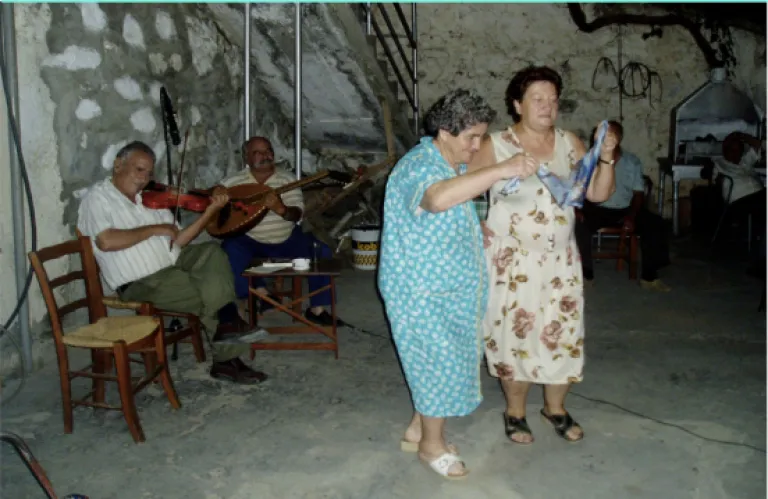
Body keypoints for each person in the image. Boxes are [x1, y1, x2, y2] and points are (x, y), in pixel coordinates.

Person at [378, 89, 533, 480]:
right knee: (437, 363)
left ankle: (418, 429)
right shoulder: (418, 166)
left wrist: (472, 225)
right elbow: (435, 200)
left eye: (481, 137)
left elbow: (443, 210)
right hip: (420, 291)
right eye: (471, 138)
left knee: (441, 360)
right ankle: (431, 446)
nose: (477, 147)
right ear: (444, 132)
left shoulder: (450, 163)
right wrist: (501, 169)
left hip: (449, 288)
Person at [471, 66, 617, 445]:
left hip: (561, 261)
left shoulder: (569, 142)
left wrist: (606, 158)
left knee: (562, 334)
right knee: (513, 337)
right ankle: (515, 412)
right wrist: (476, 222)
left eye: (552, 99)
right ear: (517, 105)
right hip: (511, 263)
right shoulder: (496, 145)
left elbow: (597, 194)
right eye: (537, 99)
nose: (547, 106)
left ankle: (555, 408)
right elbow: (461, 187)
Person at [77, 141, 268, 385]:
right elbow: (106, 241)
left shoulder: (150, 198)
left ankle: (229, 324)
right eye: (139, 169)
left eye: (149, 173)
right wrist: (154, 229)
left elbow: (179, 239)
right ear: (117, 165)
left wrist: (210, 212)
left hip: (175, 263)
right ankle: (228, 352)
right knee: (211, 292)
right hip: (142, 281)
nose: (144, 178)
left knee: (211, 251)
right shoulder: (98, 199)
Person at [218, 137, 341, 326]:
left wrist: (281, 209)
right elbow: (216, 202)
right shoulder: (233, 182)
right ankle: (256, 295)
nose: (265, 156)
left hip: (287, 240)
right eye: (258, 152)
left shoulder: (287, 179)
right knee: (229, 249)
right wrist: (218, 195)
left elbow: (297, 214)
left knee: (321, 251)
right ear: (247, 157)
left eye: (268, 151)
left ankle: (317, 309)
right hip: (251, 241)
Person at [574, 120, 672, 291]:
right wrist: (577, 208)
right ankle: (586, 274)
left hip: (624, 210)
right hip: (596, 208)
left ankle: (649, 277)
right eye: (601, 135)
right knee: (577, 224)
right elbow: (576, 187)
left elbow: (638, 193)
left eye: (609, 135)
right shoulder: (589, 158)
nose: (604, 139)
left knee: (656, 223)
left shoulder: (632, 161)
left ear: (618, 139)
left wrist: (632, 217)